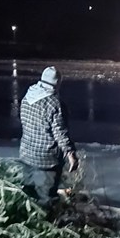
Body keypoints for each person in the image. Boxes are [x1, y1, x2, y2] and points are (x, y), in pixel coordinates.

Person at [19, 66, 78, 213]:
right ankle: (46, 223)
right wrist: (71, 154)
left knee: (29, 194)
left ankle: (28, 221)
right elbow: (60, 133)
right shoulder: (54, 104)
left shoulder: (28, 97)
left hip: (27, 153)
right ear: (57, 83)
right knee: (47, 198)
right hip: (47, 159)